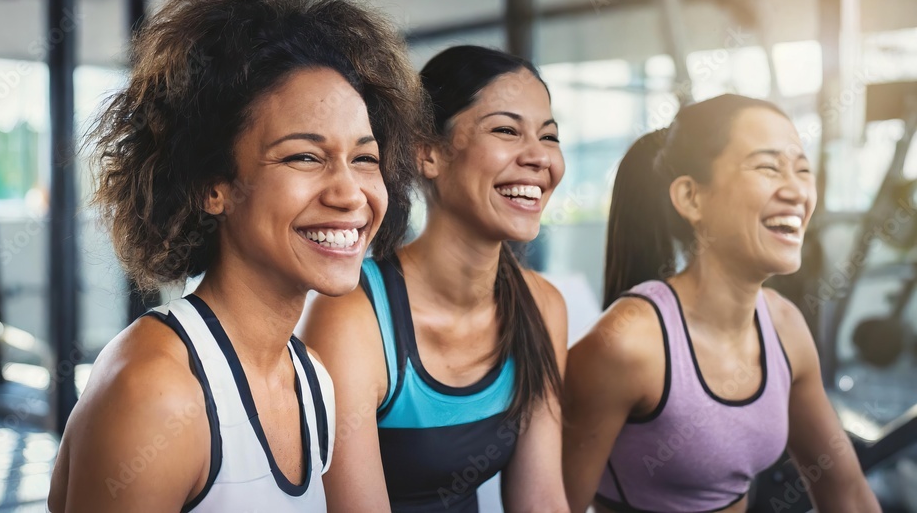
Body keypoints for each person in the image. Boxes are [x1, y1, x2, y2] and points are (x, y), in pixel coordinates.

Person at [47, 0, 428, 512]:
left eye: (364, 158)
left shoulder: (312, 382)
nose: (351, 192)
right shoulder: (157, 392)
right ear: (212, 186)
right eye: (305, 156)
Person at [562, 94, 880, 512]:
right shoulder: (626, 347)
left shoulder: (783, 326)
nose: (796, 190)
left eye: (803, 169)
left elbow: (847, 494)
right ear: (692, 198)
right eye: (767, 167)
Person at [303, 45, 571, 513]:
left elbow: (541, 502)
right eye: (506, 130)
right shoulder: (353, 315)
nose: (539, 158)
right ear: (427, 153)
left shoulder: (542, 305)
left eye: (549, 137)